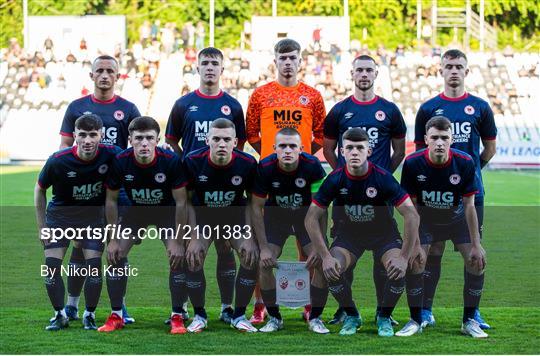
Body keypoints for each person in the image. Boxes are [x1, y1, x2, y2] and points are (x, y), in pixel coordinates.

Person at [304, 127, 423, 336]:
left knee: (397, 267)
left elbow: (412, 215)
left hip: (384, 236)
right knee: (330, 267)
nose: (355, 152)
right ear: (342, 151)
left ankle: (384, 316)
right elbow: (311, 218)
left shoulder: (382, 178)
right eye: (349, 148)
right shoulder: (335, 179)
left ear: (369, 151)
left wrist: (404, 256)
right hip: (350, 236)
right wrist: (325, 256)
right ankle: (351, 314)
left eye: (360, 147)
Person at [414, 49, 497, 330]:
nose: (453, 71)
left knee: (473, 251)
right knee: (432, 250)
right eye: (448, 66)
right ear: (440, 70)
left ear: (466, 71)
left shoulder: (481, 107)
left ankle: (472, 314)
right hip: (433, 197)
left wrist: (469, 176)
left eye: (458, 66)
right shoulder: (428, 109)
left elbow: (490, 148)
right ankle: (425, 310)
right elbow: (419, 152)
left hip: (470, 196)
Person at [246, 38, 326, 321]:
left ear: (300, 61)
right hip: (270, 177)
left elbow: (319, 136)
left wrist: (301, 158)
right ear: (275, 61)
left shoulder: (313, 96)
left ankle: (307, 305)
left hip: (302, 178)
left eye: (293, 57)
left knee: (310, 248)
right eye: (283, 58)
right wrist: (272, 157)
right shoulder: (260, 95)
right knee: (263, 246)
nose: (288, 62)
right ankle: (260, 306)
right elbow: (252, 135)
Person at [323, 54, 406, 324]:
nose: (364, 75)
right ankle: (344, 310)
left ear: (376, 74)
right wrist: (343, 176)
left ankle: (384, 312)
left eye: (369, 70)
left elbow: (399, 151)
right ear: (352, 74)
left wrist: (381, 180)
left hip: (379, 195)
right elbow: (327, 148)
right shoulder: (339, 110)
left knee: (383, 249)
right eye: (359, 70)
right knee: (344, 247)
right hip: (346, 195)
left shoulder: (390, 110)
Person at [165, 47, 246, 324]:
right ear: (197, 68)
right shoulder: (182, 104)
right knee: (191, 251)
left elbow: (240, 145)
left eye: (215, 63)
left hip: (224, 191)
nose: (210, 67)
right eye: (205, 63)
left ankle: (226, 308)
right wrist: (186, 166)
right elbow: (172, 141)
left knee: (225, 249)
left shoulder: (233, 106)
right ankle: (187, 309)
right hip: (195, 188)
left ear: (222, 69)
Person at [59, 55, 141, 324]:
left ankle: (120, 307)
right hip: (85, 193)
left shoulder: (128, 109)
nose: (105, 75)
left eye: (110, 71)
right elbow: (64, 150)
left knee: (118, 251)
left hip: (116, 193)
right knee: (80, 249)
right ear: (91, 75)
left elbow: (134, 152)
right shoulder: (76, 107)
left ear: (118, 76)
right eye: (100, 71)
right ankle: (72, 305)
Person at [98, 116, 188, 334]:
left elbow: (181, 202)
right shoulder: (121, 161)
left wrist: (177, 240)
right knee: (115, 254)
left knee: (177, 256)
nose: (144, 143)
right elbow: (110, 200)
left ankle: (178, 315)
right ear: (130, 139)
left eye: (149, 138)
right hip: (135, 212)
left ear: (157, 139)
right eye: (138, 138)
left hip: (166, 213)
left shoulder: (170, 161)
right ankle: (117, 315)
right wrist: (112, 239)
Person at [401, 116, 488, 338]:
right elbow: (411, 209)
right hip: (427, 220)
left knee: (476, 262)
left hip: (457, 219)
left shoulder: (465, 162)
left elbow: (470, 206)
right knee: (416, 261)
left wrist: (477, 244)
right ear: (426, 139)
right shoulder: (412, 164)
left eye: (445, 138)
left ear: (452, 140)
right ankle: (418, 317)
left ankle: (469, 320)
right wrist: (417, 244)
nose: (440, 142)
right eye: (435, 138)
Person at [35, 114, 121, 331]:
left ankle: (89, 315)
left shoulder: (112, 155)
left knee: (93, 267)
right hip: (60, 217)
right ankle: (59, 315)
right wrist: (42, 227)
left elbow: (133, 160)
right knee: (52, 268)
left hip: (92, 218)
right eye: (82, 135)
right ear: (74, 136)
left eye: (93, 135)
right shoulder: (58, 160)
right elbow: (39, 190)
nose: (88, 140)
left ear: (102, 135)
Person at [183, 119, 259, 333]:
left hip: (233, 218)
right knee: (194, 255)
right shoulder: (192, 161)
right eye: (216, 139)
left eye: (227, 139)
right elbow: (186, 201)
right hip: (203, 218)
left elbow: (252, 202)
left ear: (235, 142)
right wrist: (193, 234)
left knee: (249, 254)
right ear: (207, 140)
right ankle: (199, 314)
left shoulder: (247, 163)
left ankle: (237, 314)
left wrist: (249, 235)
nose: (221, 144)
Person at [251, 127, 327, 332]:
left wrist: (322, 246)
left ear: (301, 149)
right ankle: (275, 318)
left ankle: (315, 317)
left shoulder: (312, 166)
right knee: (264, 263)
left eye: (292, 146)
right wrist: (264, 248)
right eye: (282, 146)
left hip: (306, 219)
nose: (287, 150)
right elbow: (256, 209)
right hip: (277, 219)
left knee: (321, 262)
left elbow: (320, 208)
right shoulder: (265, 167)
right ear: (274, 148)